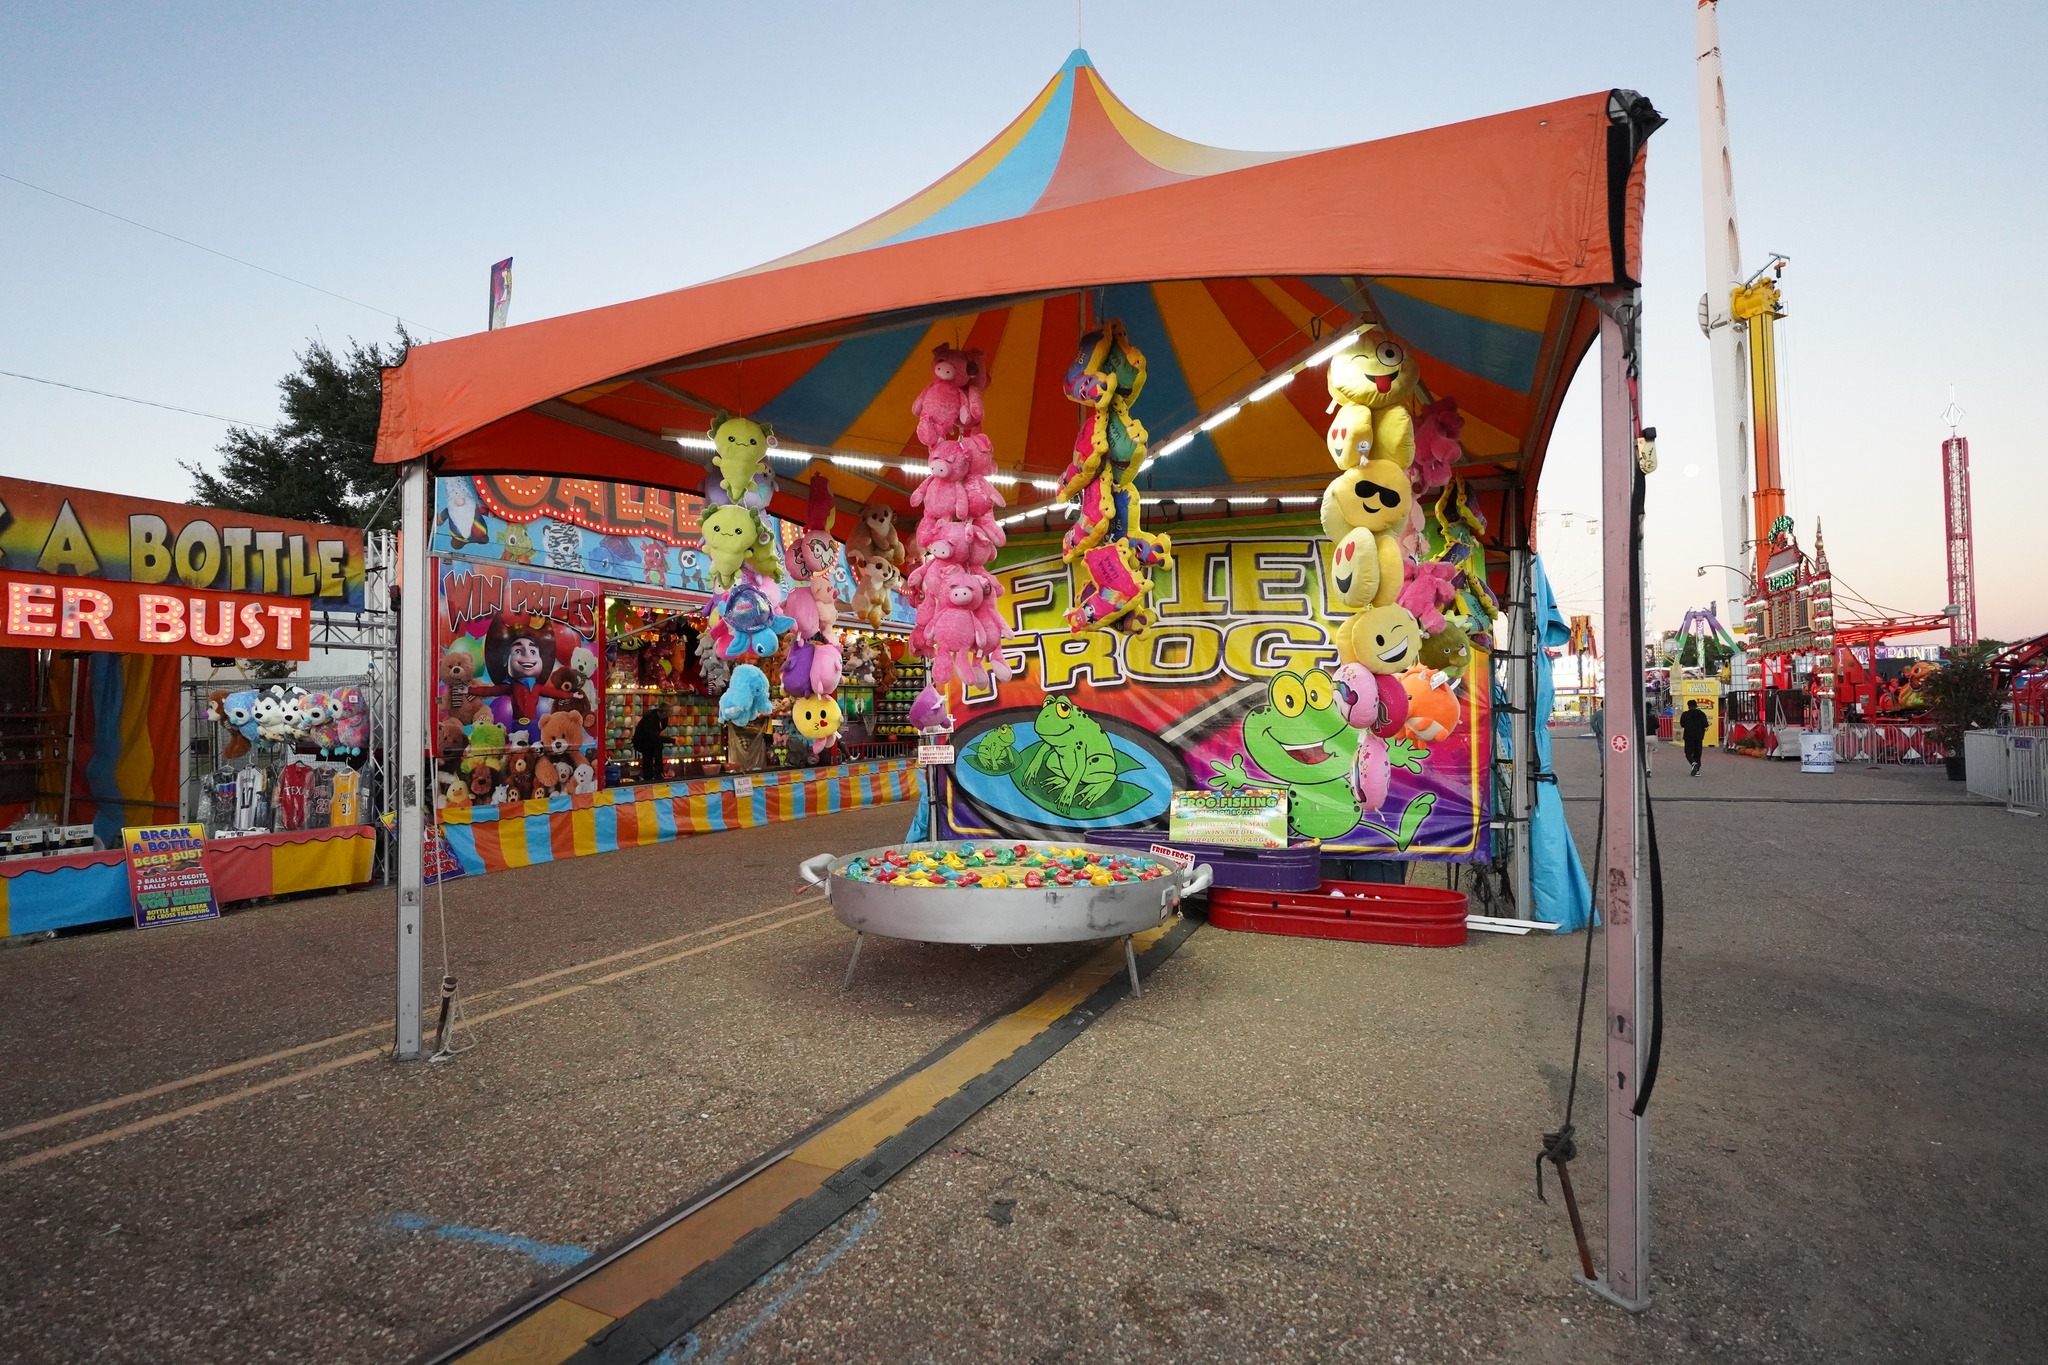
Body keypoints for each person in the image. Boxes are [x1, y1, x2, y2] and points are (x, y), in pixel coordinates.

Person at [631, 705, 668, 784]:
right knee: (649, 754)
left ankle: (657, 773)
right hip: (642, 741)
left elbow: (660, 731)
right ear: (664, 712)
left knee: (658, 745)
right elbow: (655, 735)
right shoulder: (649, 719)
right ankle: (649, 776)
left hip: (651, 739)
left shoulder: (664, 718)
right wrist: (672, 740)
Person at [1679, 699, 1710, 776]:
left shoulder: (1685, 714)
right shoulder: (1701, 714)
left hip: (1688, 735)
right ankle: (1697, 770)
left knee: (1688, 752)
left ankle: (1693, 763)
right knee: (1697, 753)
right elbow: (1706, 724)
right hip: (1699, 736)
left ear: (1688, 706)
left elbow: (1682, 724)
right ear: (1696, 705)